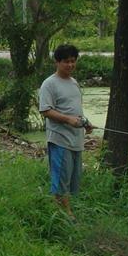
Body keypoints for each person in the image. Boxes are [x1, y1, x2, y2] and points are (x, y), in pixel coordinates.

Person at [38, 43, 93, 219]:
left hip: (76, 140)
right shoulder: (49, 84)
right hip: (60, 139)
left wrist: (85, 123)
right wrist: (68, 119)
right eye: (66, 62)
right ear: (57, 62)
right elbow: (46, 110)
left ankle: (64, 210)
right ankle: (64, 214)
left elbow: (75, 109)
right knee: (61, 178)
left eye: (73, 61)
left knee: (72, 179)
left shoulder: (74, 82)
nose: (70, 65)